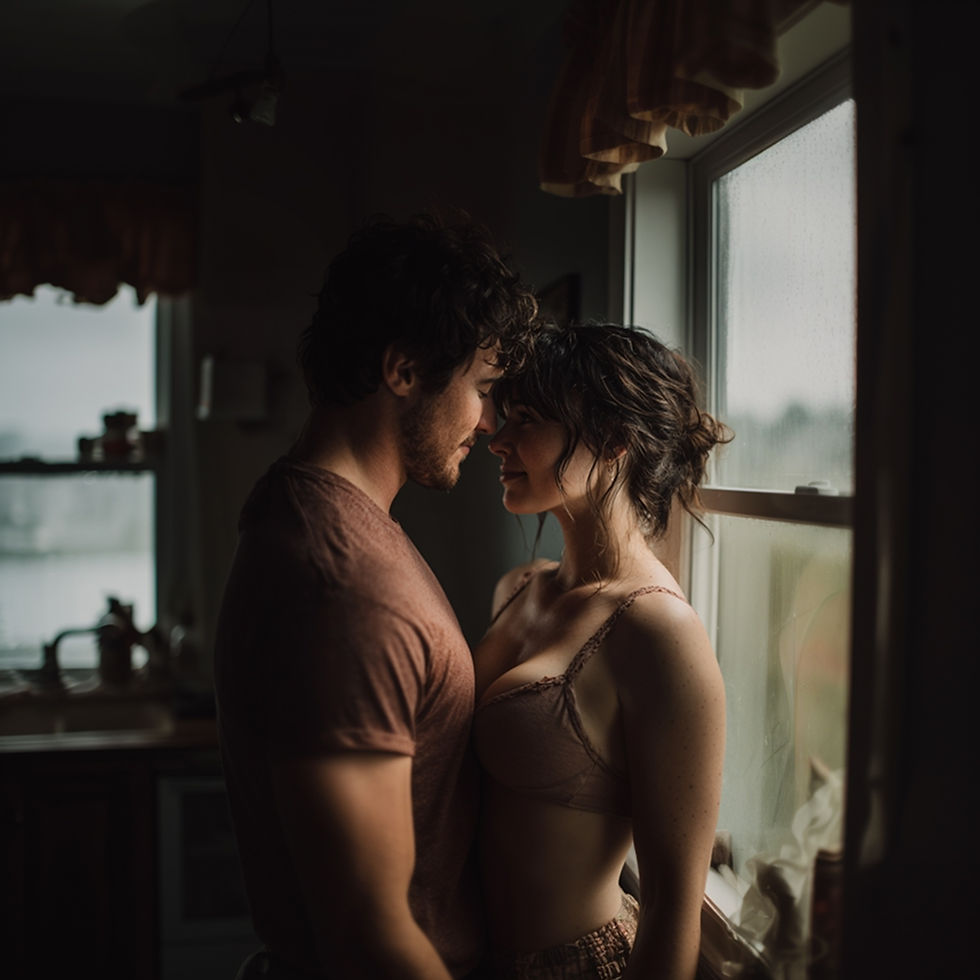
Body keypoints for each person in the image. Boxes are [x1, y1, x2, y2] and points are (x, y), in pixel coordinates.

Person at [213, 213, 538, 980]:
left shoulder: (320, 514)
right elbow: (368, 935)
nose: (489, 422)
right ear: (403, 369)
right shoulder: (346, 586)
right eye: (481, 389)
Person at [472, 321, 731, 979]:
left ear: (615, 439)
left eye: (525, 419)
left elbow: (676, 907)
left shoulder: (657, 632)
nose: (496, 438)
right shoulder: (519, 588)